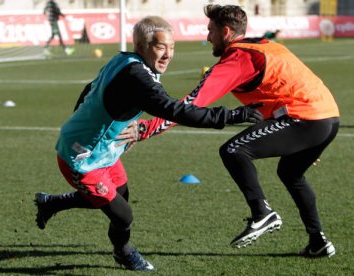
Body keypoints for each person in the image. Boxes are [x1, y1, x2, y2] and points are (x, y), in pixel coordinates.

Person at [34, 16, 263, 272]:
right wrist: (231, 115)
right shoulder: (138, 78)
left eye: (172, 47)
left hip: (105, 151)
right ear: (142, 47)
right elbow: (175, 111)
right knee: (123, 215)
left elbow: (90, 88)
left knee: (118, 197)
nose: (168, 55)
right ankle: (124, 252)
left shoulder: (123, 59)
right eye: (161, 47)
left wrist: (91, 123)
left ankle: (51, 203)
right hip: (81, 157)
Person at [137, 5, 339, 258]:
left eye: (210, 31)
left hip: (306, 119)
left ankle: (261, 213)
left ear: (226, 31)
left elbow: (190, 105)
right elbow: (280, 90)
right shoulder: (265, 45)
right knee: (291, 174)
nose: (207, 36)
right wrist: (307, 137)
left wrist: (145, 130)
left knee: (233, 150)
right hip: (327, 117)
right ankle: (318, 241)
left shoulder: (238, 59)